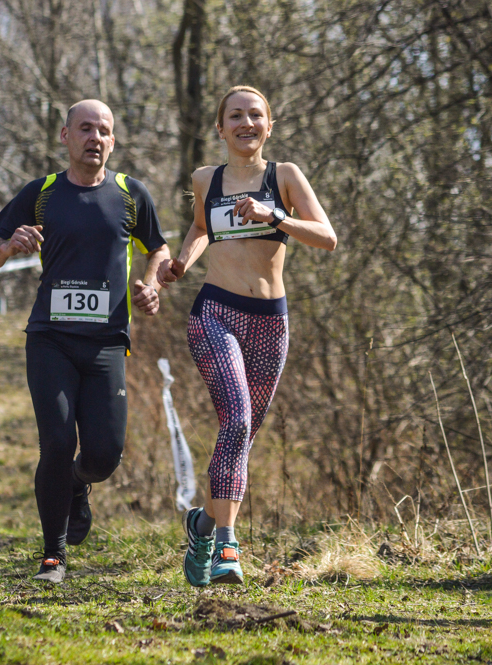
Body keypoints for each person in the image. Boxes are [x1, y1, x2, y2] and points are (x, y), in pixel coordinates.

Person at [0, 99, 169, 583]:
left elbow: (159, 249)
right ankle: (54, 554)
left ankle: (78, 485)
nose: (94, 138)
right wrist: (9, 245)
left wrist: (151, 283)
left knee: (104, 456)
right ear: (65, 136)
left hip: (107, 343)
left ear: (113, 140)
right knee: (58, 443)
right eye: (85, 129)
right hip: (51, 339)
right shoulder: (42, 192)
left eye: (103, 130)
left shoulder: (130, 193)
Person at [157, 86, 336, 586]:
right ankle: (227, 547)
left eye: (256, 115)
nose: (246, 123)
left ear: (269, 126)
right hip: (215, 312)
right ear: (221, 128)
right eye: (235, 116)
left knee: (242, 435)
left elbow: (327, 237)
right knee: (235, 419)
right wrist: (181, 263)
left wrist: (274, 215)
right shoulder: (206, 179)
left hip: (270, 321)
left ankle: (202, 525)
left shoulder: (285, 177)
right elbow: (200, 229)